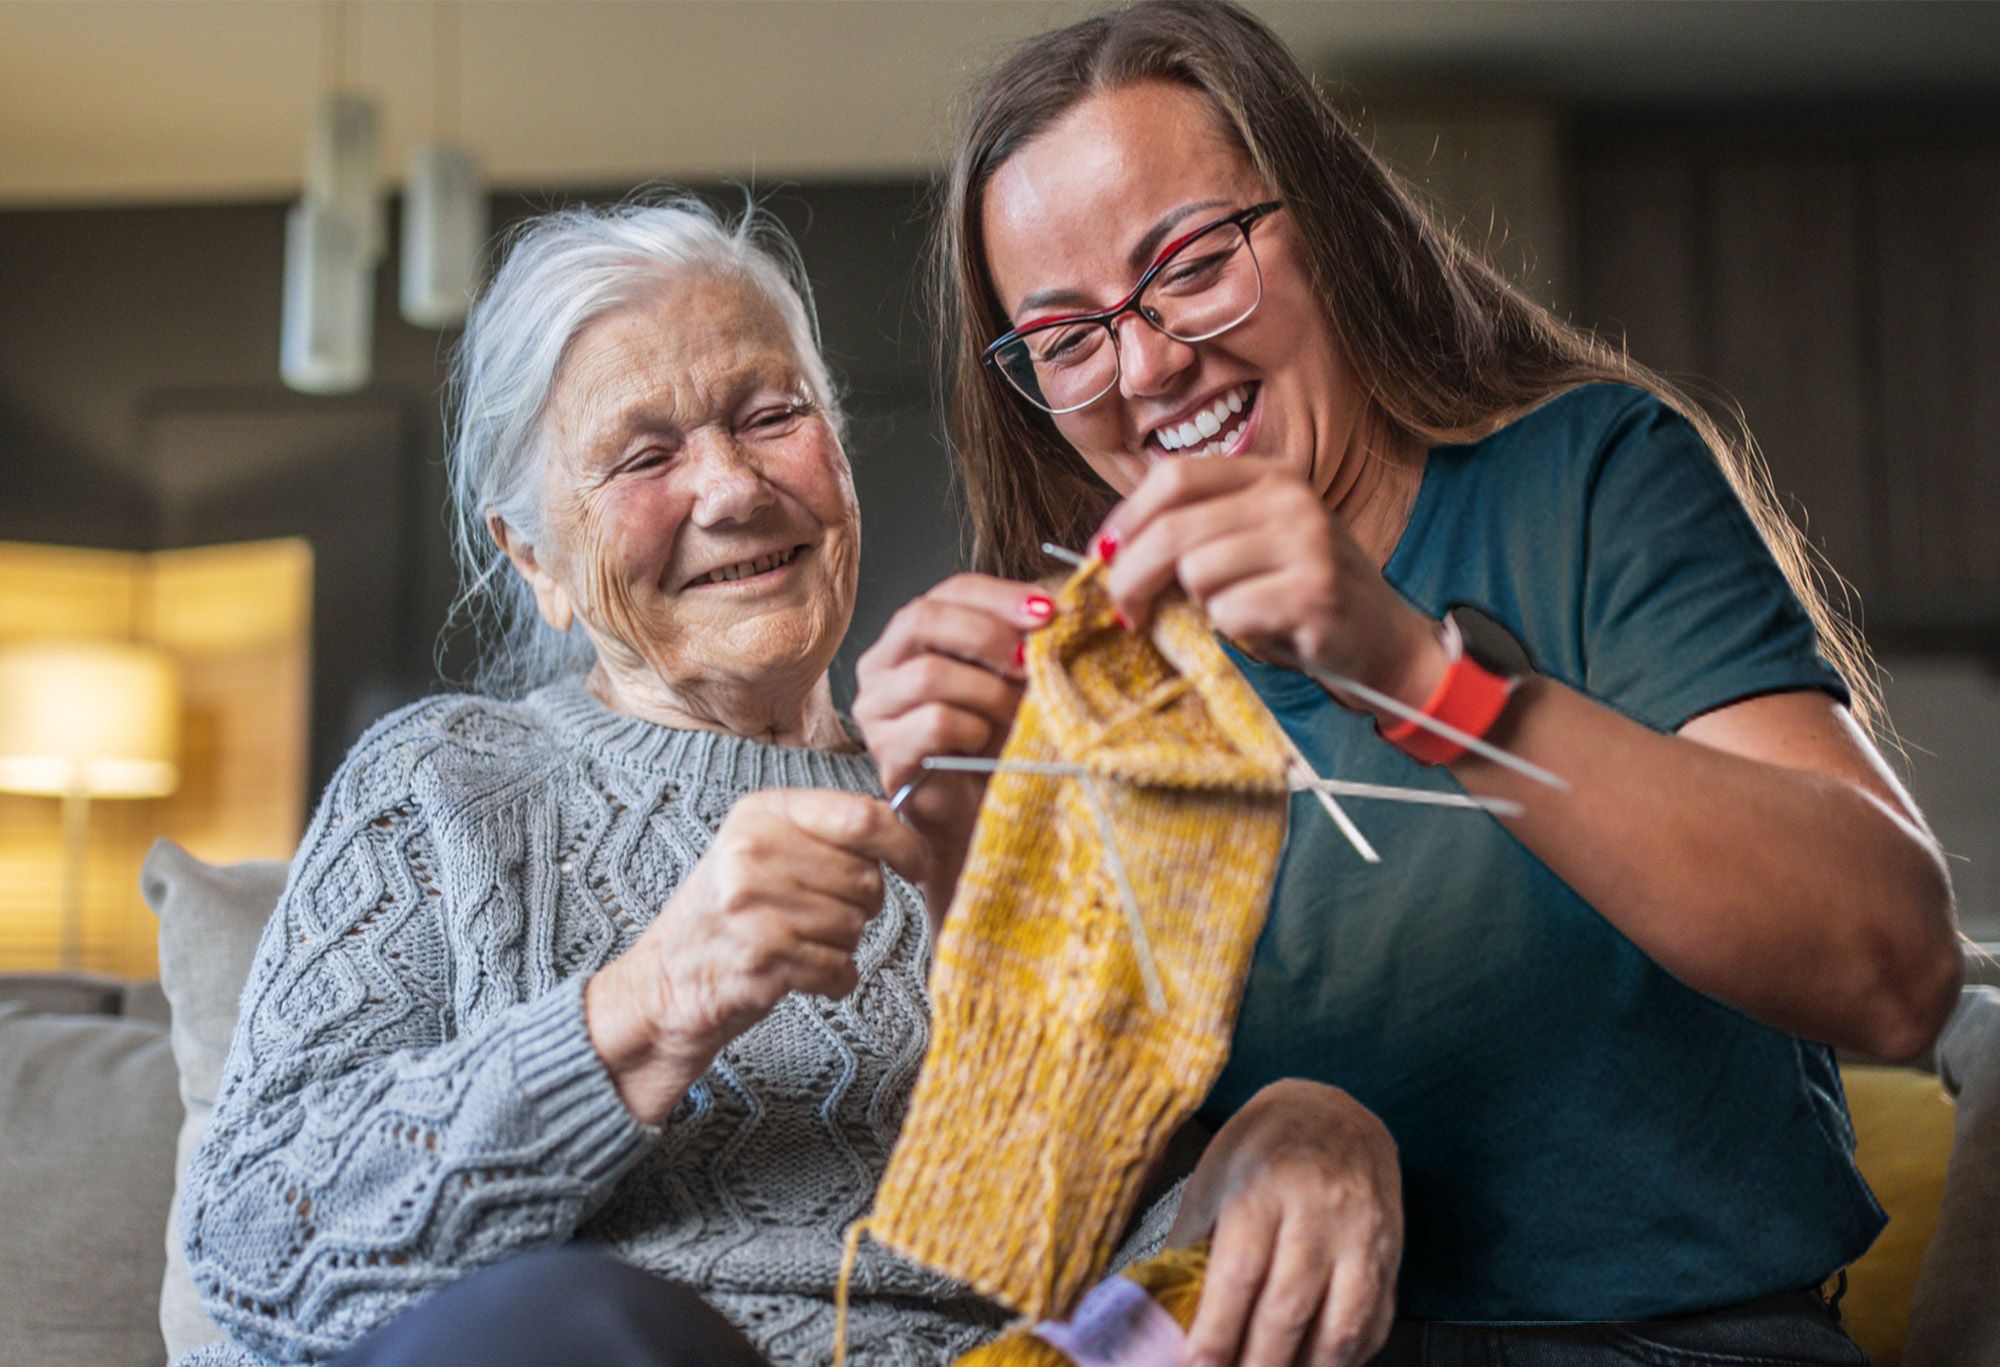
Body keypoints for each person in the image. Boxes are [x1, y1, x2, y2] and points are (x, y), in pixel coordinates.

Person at [853, 4, 1964, 1365]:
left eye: (1191, 266)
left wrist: (1415, 673)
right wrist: (960, 855)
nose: (1144, 367)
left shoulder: (1588, 480)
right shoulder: (1098, 681)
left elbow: (1894, 970)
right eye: (1069, 338)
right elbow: (1048, 1224)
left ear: (1325, 222)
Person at [175, 196, 1394, 1367]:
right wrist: (646, 1005)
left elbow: (1074, 1268)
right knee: (575, 1319)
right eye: (644, 452)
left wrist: (1275, 1145)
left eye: (770, 416)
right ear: (533, 557)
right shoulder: (441, 785)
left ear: (841, 454)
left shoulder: (1000, 796)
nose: (731, 487)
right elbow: (254, 1249)